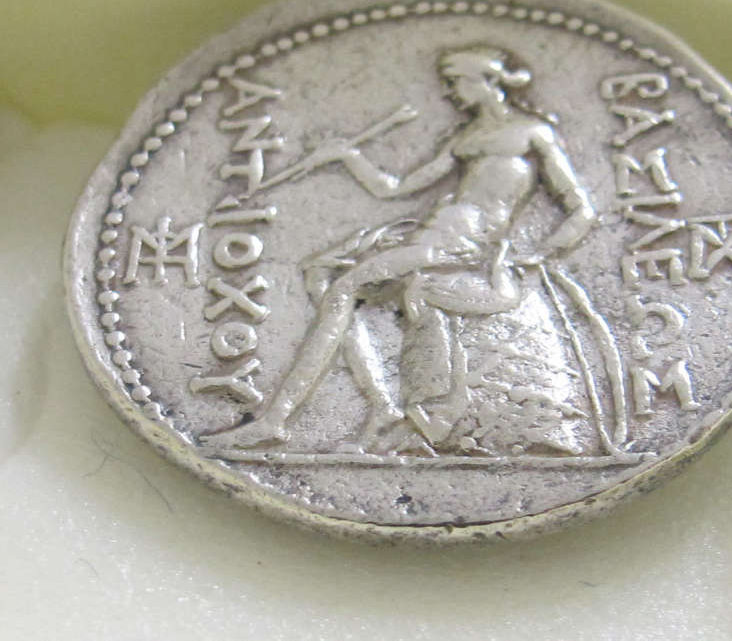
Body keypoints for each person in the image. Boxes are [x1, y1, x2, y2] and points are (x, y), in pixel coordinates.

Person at [203, 45, 597, 448]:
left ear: (488, 81)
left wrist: (539, 253)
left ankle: (277, 419)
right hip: (434, 233)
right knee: (322, 277)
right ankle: (380, 406)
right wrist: (348, 156)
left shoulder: (532, 133)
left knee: (343, 288)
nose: (450, 92)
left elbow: (581, 209)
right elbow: (394, 188)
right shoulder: (465, 138)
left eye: (456, 81)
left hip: (462, 242)